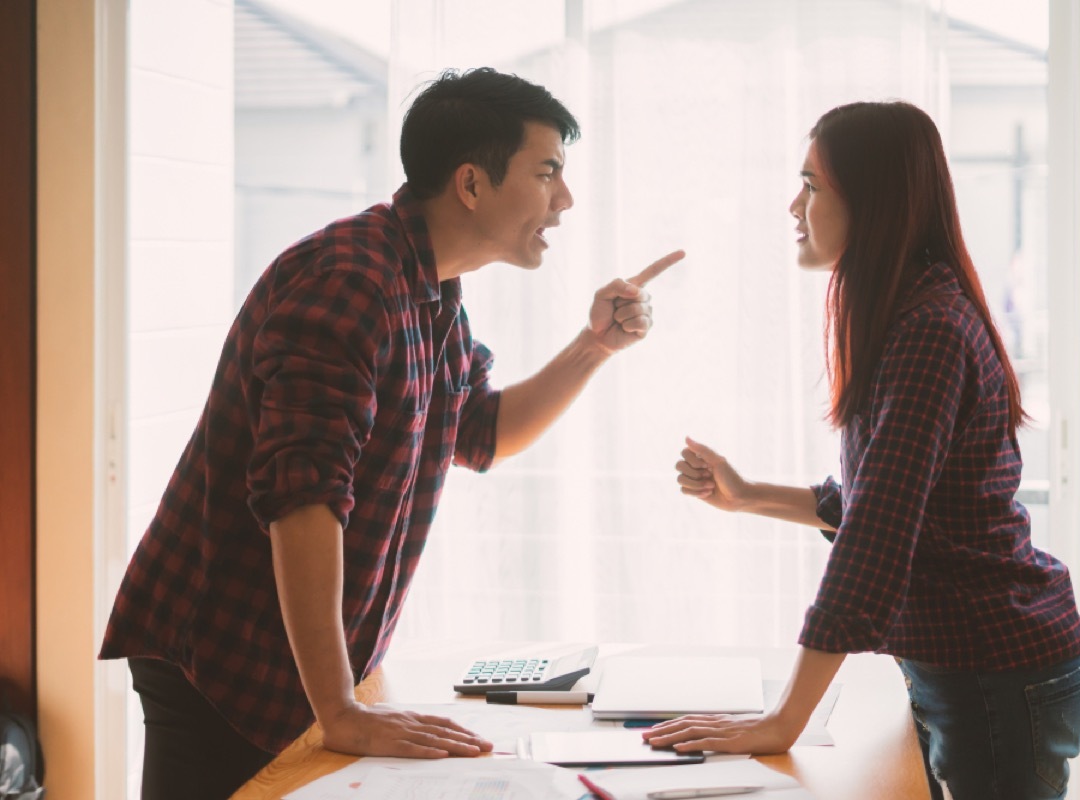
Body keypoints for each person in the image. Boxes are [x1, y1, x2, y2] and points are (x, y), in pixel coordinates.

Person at [100, 67, 683, 800]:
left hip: (303, 667)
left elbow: (480, 433)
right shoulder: (350, 281)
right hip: (223, 656)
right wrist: (340, 707)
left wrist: (592, 347)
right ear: (471, 184)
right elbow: (301, 495)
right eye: (547, 174)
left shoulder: (430, 287)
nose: (563, 201)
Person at [647, 101, 1080, 800]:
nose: (795, 206)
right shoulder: (908, 314)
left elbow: (878, 538)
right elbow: (876, 502)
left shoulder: (930, 330)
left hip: (996, 674)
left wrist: (782, 721)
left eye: (812, 186)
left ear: (875, 202)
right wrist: (745, 495)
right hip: (966, 668)